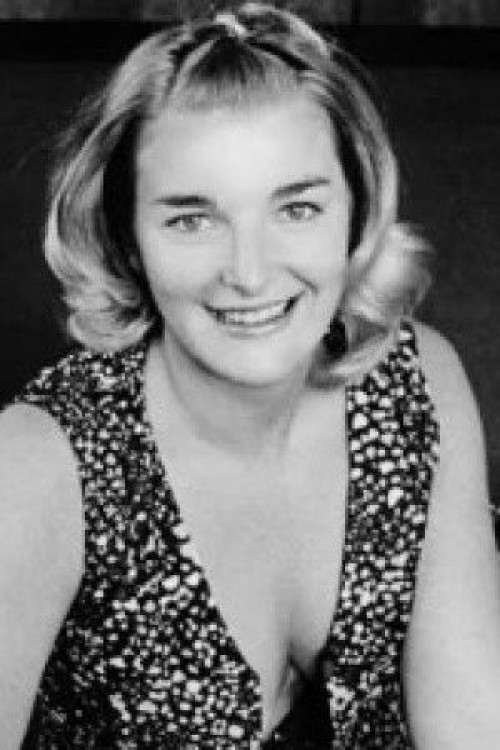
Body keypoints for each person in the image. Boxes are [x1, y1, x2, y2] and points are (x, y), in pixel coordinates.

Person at [1, 2, 499, 748]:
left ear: (357, 213)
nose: (250, 272)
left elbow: (471, 726)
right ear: (128, 238)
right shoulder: (36, 465)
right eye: (191, 219)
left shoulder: (416, 382)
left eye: (296, 208)